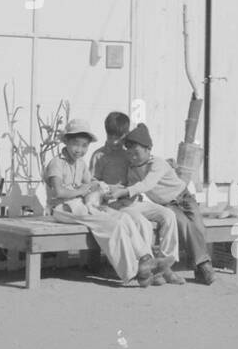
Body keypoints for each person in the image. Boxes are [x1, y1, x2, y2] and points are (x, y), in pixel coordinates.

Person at [44, 119, 159, 287]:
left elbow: (91, 184)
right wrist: (83, 190)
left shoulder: (81, 164)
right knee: (112, 225)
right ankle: (132, 272)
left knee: (123, 218)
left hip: (82, 206)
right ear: (66, 141)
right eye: (76, 144)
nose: (79, 150)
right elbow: (59, 192)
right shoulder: (57, 163)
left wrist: (102, 188)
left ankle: (146, 258)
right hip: (63, 208)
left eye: (84, 146)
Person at [109, 123, 215, 285]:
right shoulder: (133, 168)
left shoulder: (157, 164)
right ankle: (203, 266)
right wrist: (123, 197)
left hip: (184, 198)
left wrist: (124, 192)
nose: (132, 157)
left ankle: (198, 269)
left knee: (199, 228)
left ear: (148, 149)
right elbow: (134, 186)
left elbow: (146, 185)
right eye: (129, 153)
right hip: (168, 204)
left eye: (136, 152)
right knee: (185, 225)